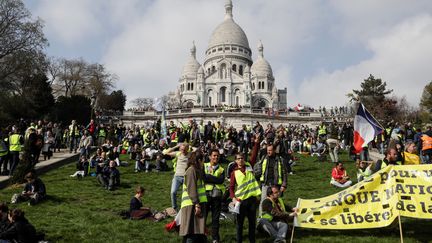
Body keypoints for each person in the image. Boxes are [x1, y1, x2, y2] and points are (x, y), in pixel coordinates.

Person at [229, 152, 261, 243]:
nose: (240, 160)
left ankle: (252, 241)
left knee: (252, 223)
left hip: (252, 200)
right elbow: (231, 187)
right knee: (240, 224)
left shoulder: (249, 166)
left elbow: (254, 156)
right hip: (241, 201)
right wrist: (233, 198)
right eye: (238, 158)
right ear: (235, 161)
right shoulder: (234, 172)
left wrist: (257, 143)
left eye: (242, 158)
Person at [179, 151, 207, 243]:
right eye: (203, 160)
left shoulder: (195, 170)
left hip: (195, 205)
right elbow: (192, 188)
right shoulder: (191, 170)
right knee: (191, 233)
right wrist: (197, 204)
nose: (203, 163)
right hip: (192, 205)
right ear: (199, 160)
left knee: (197, 233)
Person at [254, 144, 287, 212]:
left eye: (270, 150)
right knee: (263, 201)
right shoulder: (264, 158)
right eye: (267, 150)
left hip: (276, 185)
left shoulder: (280, 160)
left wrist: (284, 185)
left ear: (274, 150)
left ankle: (278, 217)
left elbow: (284, 173)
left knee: (277, 202)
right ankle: (261, 219)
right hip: (265, 184)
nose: (268, 152)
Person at [203, 149, 225, 243]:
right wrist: (213, 178)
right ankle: (201, 237)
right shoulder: (204, 165)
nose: (216, 157)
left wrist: (209, 177)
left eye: (217, 156)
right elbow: (203, 178)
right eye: (214, 155)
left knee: (215, 219)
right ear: (209, 157)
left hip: (217, 195)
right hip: (206, 194)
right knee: (203, 217)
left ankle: (215, 238)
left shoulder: (221, 169)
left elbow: (220, 180)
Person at [163, 143, 191, 211]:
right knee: (173, 192)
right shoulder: (178, 153)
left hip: (186, 177)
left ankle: (188, 207)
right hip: (177, 177)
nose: (182, 151)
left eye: (184, 149)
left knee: (187, 194)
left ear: (187, 149)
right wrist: (176, 146)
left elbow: (198, 150)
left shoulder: (190, 154)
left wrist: (190, 146)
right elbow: (166, 152)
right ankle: (174, 208)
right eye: (181, 149)